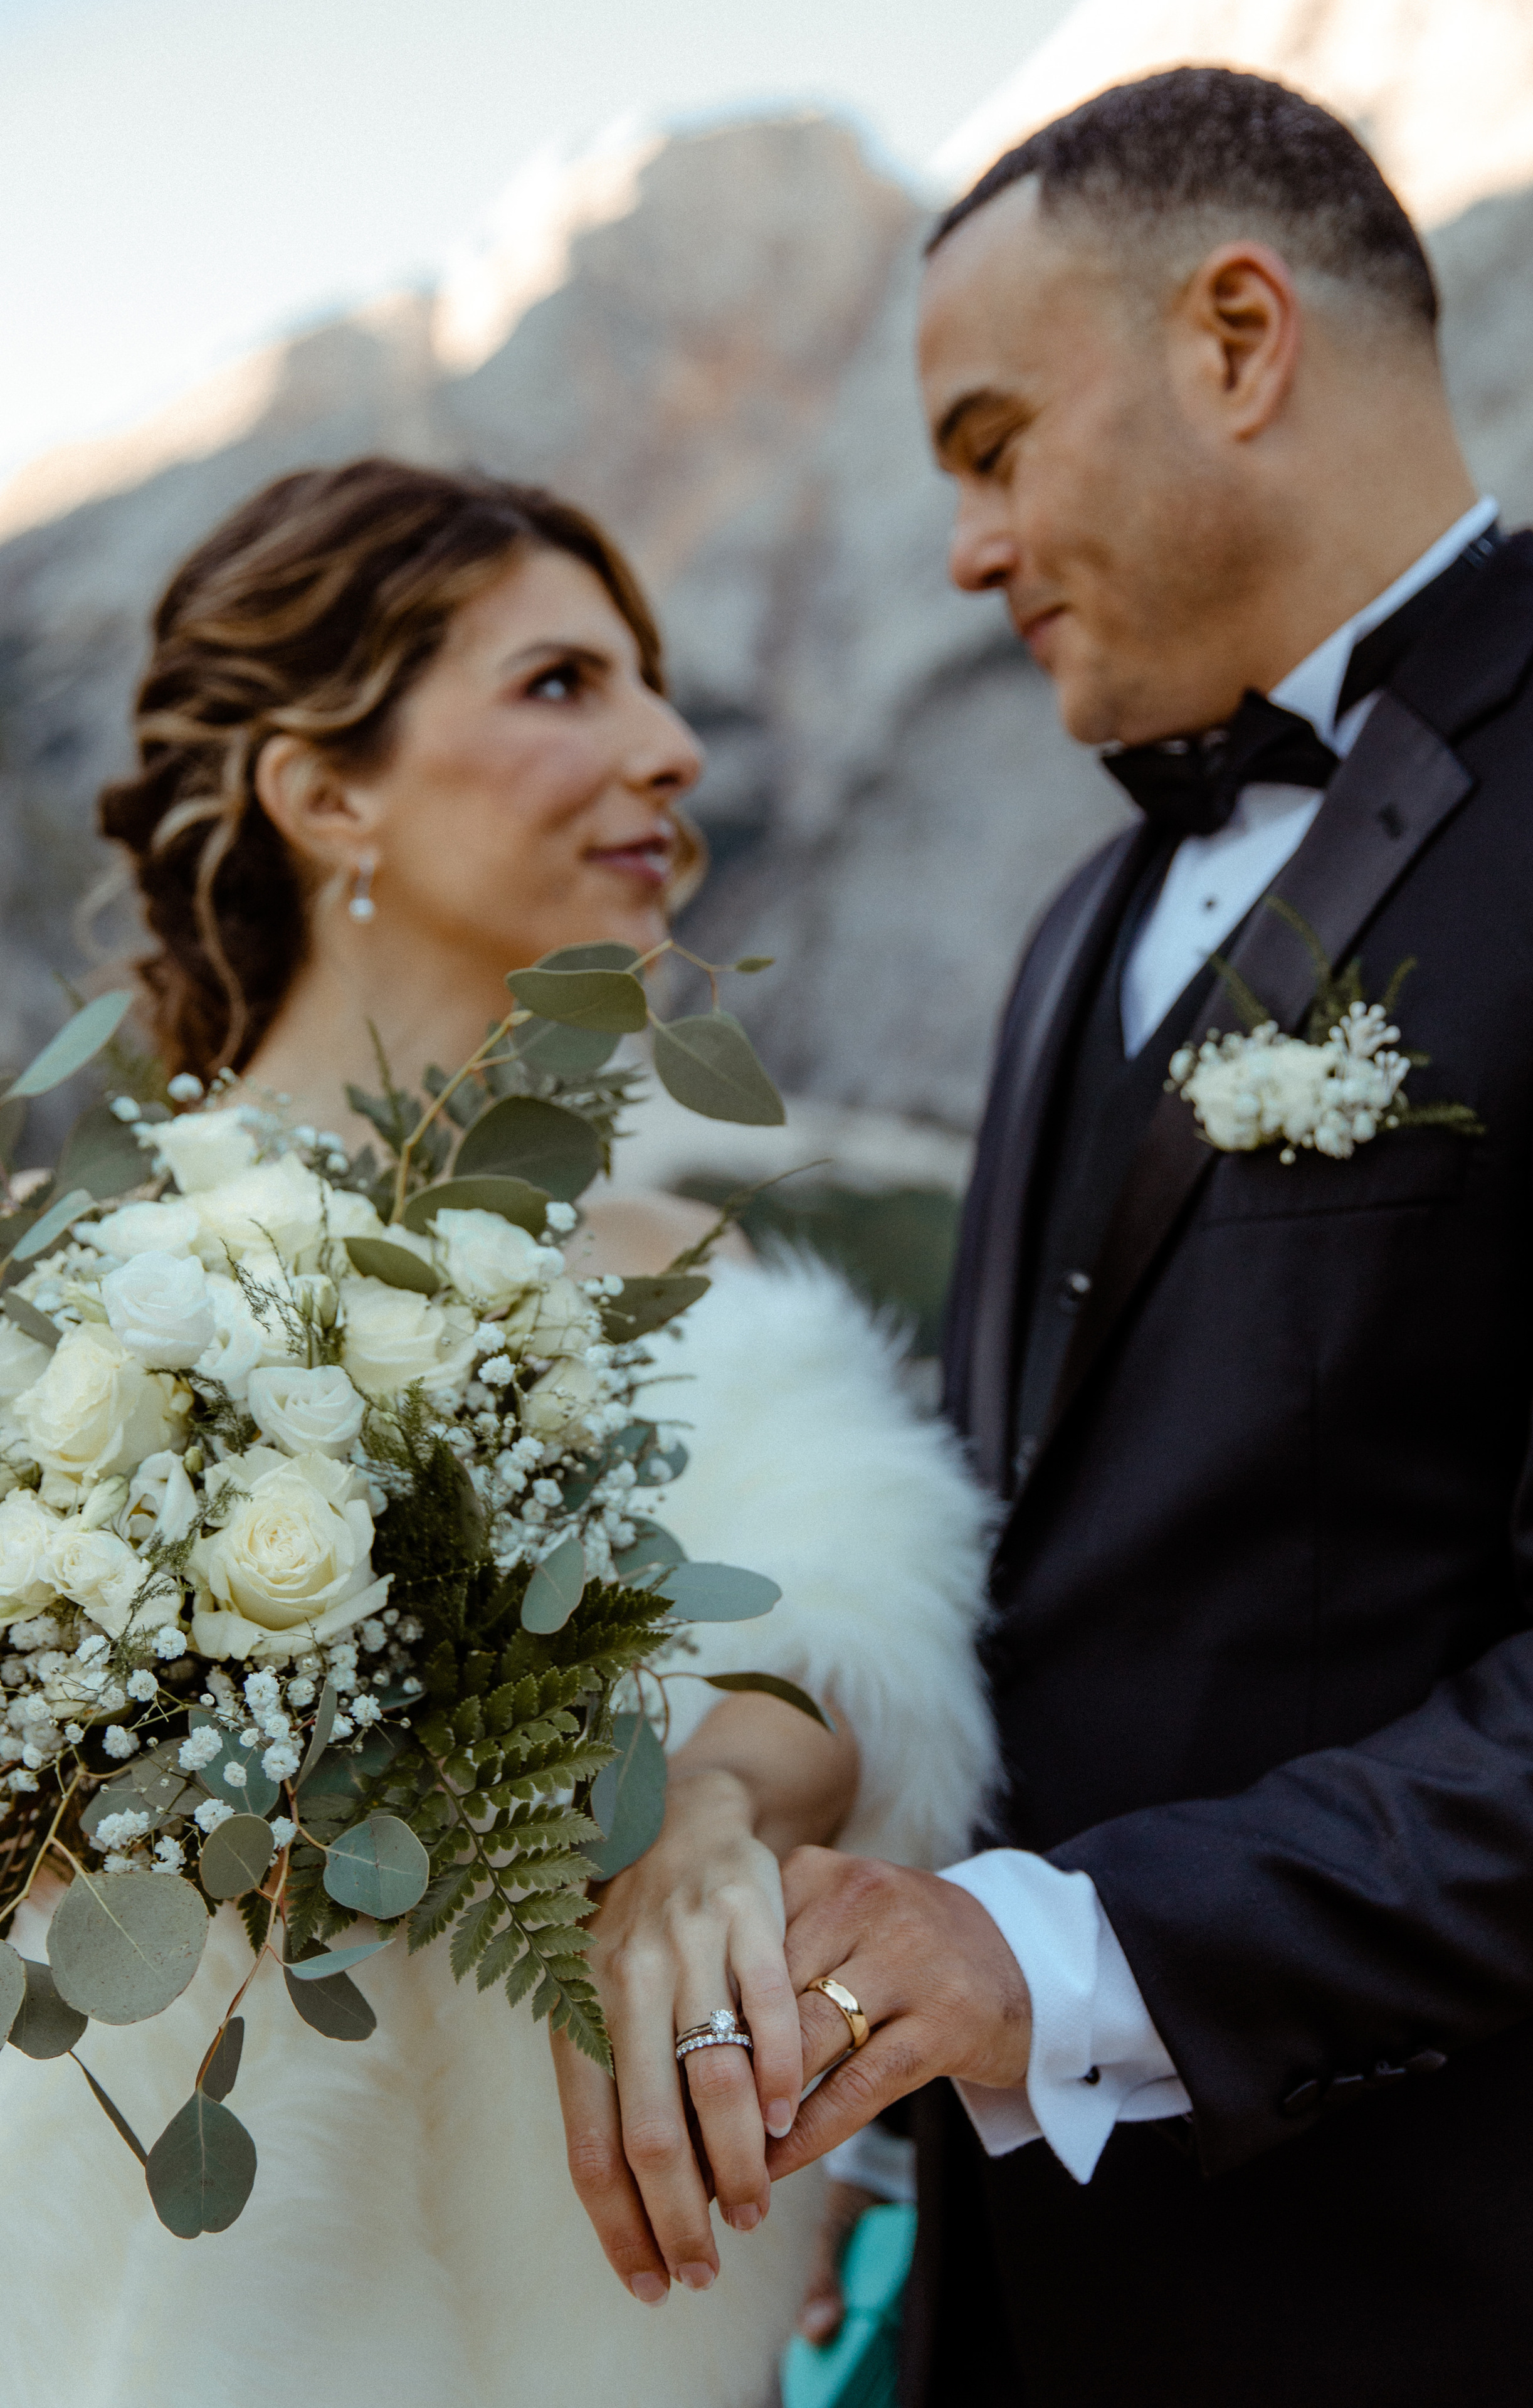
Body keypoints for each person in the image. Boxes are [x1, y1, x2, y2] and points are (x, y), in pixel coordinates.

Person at [584, 66, 1533, 2405]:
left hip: (1433, 2294)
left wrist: (1054, 1959)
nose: (965, 547)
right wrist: (753, 1765)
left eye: (990, 441)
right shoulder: (1085, 919)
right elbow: (1019, 1542)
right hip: (1014, 2296)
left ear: (1238, 340)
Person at [0, 460, 996, 2407]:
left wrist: (710, 1802)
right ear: (324, 790)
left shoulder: (700, 1280)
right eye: (562, 686)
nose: (673, 752)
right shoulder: (84, 1318)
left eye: (655, 685)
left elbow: (850, 1647)